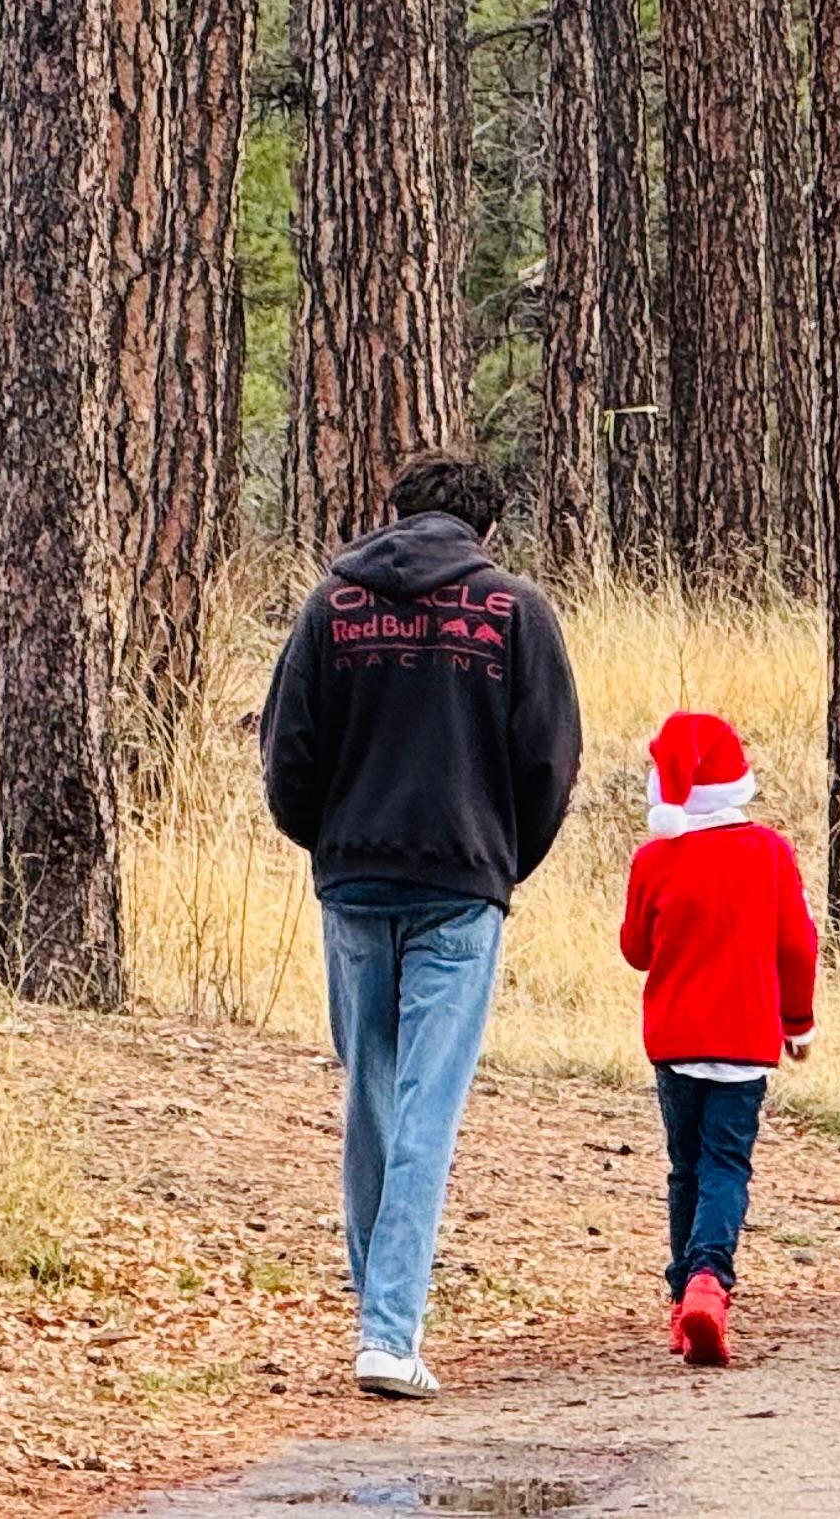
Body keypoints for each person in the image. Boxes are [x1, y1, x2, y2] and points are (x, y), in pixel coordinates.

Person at [261, 454, 584, 1400]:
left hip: (356, 881)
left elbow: (288, 751)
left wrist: (330, 843)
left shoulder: (333, 607)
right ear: (488, 530)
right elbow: (550, 761)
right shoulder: (516, 613)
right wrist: (498, 858)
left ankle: (381, 1316)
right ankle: (388, 1328)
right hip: (459, 888)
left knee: (372, 1099)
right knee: (424, 1113)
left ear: (392, 512)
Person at [619, 709, 822, 1368]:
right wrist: (798, 1021)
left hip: (675, 1038)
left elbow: (636, 949)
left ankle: (682, 1299)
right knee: (726, 1164)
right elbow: (797, 942)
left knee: (686, 1166)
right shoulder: (769, 852)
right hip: (746, 1038)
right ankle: (710, 1278)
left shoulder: (655, 858)